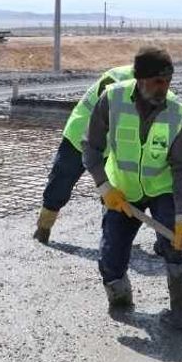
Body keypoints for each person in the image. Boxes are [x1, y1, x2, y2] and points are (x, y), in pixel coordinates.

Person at [83, 47, 182, 331]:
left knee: (176, 244)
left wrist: (181, 216)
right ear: (140, 78)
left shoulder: (177, 111)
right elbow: (91, 147)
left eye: (168, 81)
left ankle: (181, 311)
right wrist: (104, 187)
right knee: (112, 255)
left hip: (161, 188)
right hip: (120, 191)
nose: (164, 88)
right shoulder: (112, 99)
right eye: (157, 82)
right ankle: (121, 306)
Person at [33, 64, 133, 243]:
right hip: (78, 136)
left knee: (114, 190)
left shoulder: (146, 85)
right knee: (60, 183)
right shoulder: (120, 80)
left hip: (108, 145)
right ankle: (44, 227)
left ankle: (111, 234)